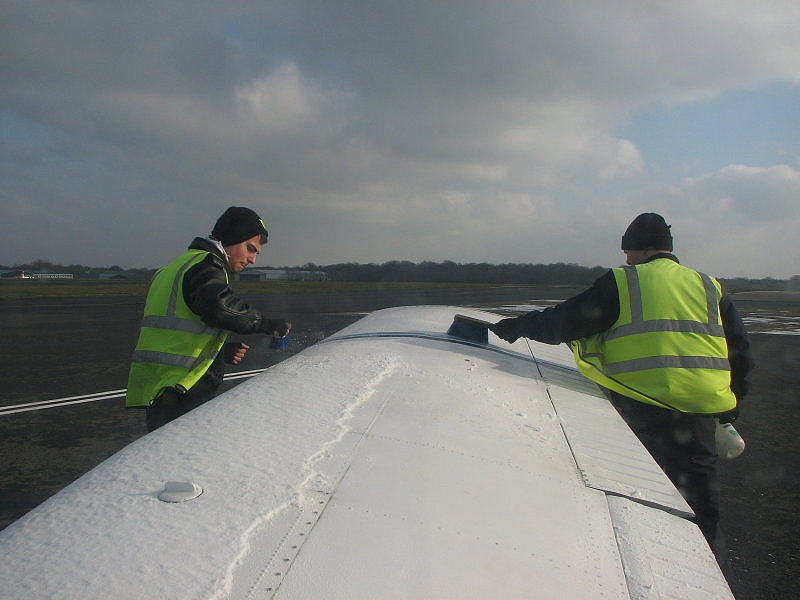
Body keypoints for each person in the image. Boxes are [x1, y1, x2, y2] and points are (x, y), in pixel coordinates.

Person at [490, 213, 753, 572]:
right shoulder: (709, 286)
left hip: (641, 408)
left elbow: (566, 321)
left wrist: (518, 326)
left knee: (640, 501)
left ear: (640, 249)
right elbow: (738, 350)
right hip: (699, 415)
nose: (626, 259)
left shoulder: (625, 282)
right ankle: (706, 577)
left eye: (628, 251)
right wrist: (730, 408)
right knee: (700, 509)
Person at [126, 206, 291, 431]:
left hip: (161, 386)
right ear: (233, 239)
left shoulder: (174, 267)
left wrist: (217, 354)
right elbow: (219, 308)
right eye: (250, 249)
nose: (252, 259)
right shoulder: (206, 265)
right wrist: (267, 324)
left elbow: (176, 330)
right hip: (182, 388)